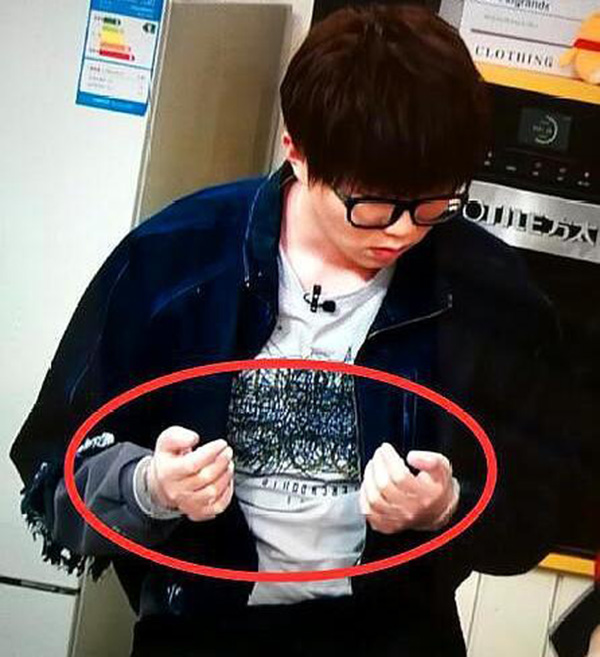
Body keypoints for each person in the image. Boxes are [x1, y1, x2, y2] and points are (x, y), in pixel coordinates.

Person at [10, 4, 570, 656]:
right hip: (198, 635)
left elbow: (539, 512)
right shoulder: (174, 258)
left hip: (398, 640)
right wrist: (149, 487)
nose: (402, 231)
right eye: (372, 205)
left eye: (432, 203)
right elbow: (54, 474)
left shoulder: (488, 292)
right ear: (297, 152)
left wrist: (447, 508)